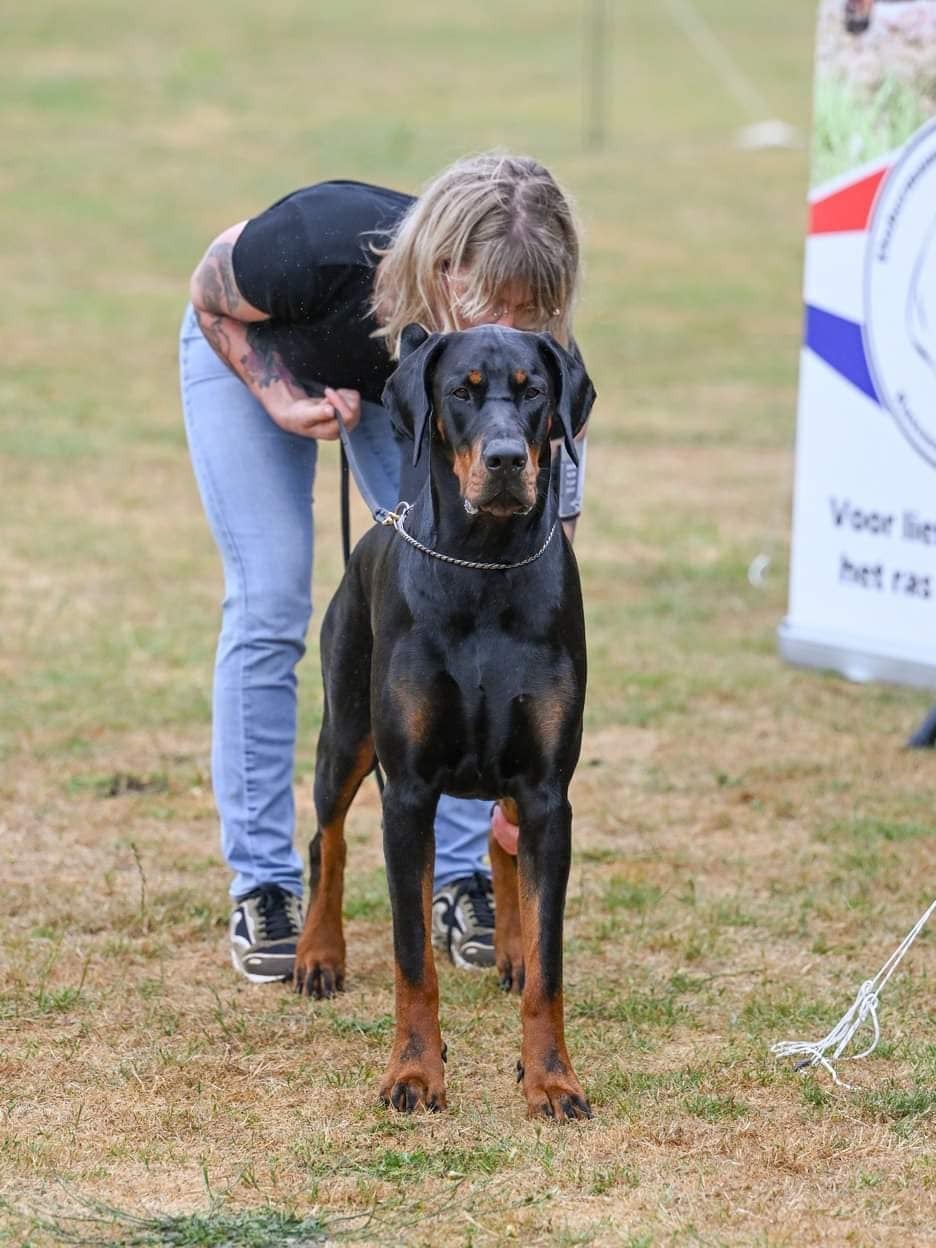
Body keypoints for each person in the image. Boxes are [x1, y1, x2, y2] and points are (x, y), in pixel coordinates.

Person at [179, 152, 588, 984]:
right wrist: (278, 396)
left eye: (532, 309)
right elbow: (209, 296)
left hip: (423, 395)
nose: (511, 319)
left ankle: (466, 875)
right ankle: (266, 884)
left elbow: (554, 517)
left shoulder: (519, 336)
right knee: (271, 600)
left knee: (463, 602)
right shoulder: (319, 244)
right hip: (253, 357)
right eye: (494, 300)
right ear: (444, 265)